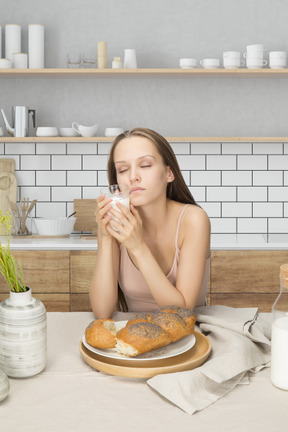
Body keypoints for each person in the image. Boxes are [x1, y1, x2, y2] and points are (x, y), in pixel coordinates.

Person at [89, 127, 210, 318]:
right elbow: (102, 312)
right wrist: (105, 236)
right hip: (135, 334)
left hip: (189, 335)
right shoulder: (117, 223)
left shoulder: (193, 220)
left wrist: (137, 247)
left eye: (145, 165)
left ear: (169, 173)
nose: (133, 176)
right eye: (122, 169)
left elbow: (181, 312)